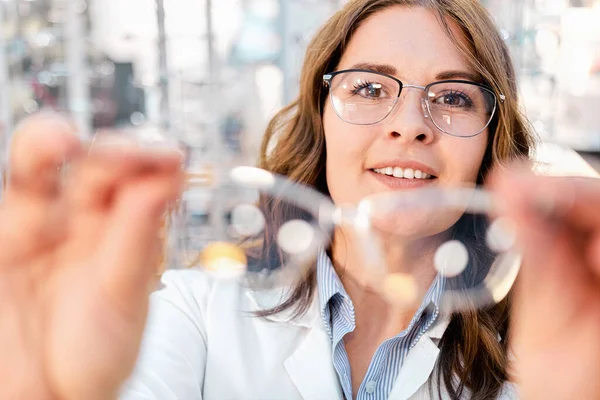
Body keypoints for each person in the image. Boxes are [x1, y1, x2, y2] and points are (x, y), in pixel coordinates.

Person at [0, 1, 599, 400]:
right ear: (322, 118)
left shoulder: (555, 347)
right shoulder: (197, 312)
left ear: (492, 141)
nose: (411, 125)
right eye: (369, 87)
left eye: (453, 97)